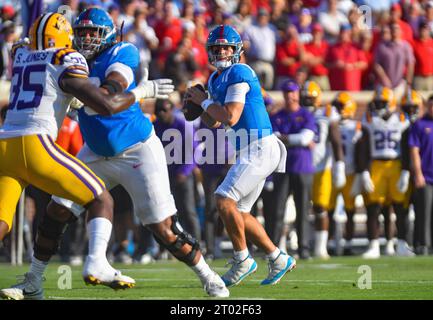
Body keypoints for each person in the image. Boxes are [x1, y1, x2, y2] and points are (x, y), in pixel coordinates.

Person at [1, 8, 227, 300]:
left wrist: (138, 91)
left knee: (164, 228)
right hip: (95, 150)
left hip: (137, 150)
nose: (87, 38)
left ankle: (208, 276)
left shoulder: (122, 52)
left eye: (93, 32)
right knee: (57, 211)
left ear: (108, 33)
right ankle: (33, 280)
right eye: (81, 32)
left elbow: (111, 94)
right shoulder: (68, 58)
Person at [186, 25, 296, 287]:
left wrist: (203, 102)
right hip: (248, 148)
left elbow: (231, 116)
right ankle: (278, 257)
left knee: (223, 199)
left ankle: (242, 259)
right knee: (240, 212)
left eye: (226, 47)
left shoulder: (239, 71)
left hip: (259, 146)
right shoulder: (215, 79)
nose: (222, 51)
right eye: (217, 47)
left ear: (236, 50)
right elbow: (215, 122)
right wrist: (197, 105)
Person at [355, 87, 410, 259]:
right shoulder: (370, 119)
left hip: (396, 164)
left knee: (400, 207)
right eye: (377, 102)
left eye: (382, 102)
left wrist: (405, 171)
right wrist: (364, 171)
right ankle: (374, 245)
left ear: (391, 103)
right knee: (373, 207)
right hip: (376, 165)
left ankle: (401, 243)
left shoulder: (402, 119)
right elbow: (362, 147)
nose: (378, 105)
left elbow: (408, 148)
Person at [270, 79, 315, 260]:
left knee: (303, 209)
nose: (290, 96)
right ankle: (273, 248)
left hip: (302, 167)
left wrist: (286, 138)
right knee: (277, 210)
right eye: (287, 92)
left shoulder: (306, 115)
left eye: (293, 92)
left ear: (298, 94)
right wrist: (294, 139)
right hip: (282, 168)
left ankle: (303, 247)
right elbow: (273, 138)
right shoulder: (277, 116)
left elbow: (306, 138)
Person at [303, 81, 346, 259]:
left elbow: (336, 141)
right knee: (300, 208)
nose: (306, 101)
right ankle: (301, 245)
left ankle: (320, 248)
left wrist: (339, 165)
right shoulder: (297, 112)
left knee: (321, 207)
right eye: (304, 98)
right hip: (301, 167)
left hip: (322, 167)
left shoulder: (327, 112)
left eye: (310, 98)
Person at [410, 94, 433, 255]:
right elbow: (414, 151)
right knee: (424, 211)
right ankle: (424, 244)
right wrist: (418, 173)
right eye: (430, 106)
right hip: (426, 176)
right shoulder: (419, 125)